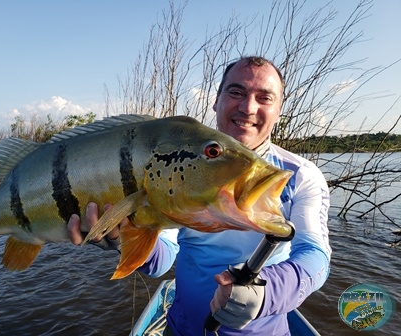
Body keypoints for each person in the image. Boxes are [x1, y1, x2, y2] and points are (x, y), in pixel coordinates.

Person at [67, 56, 331, 335]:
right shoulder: (181, 163)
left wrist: (267, 292)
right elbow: (162, 260)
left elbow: (315, 256)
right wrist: (123, 238)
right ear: (216, 101)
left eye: (264, 97)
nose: (248, 107)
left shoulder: (300, 175)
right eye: (236, 92)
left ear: (279, 111)